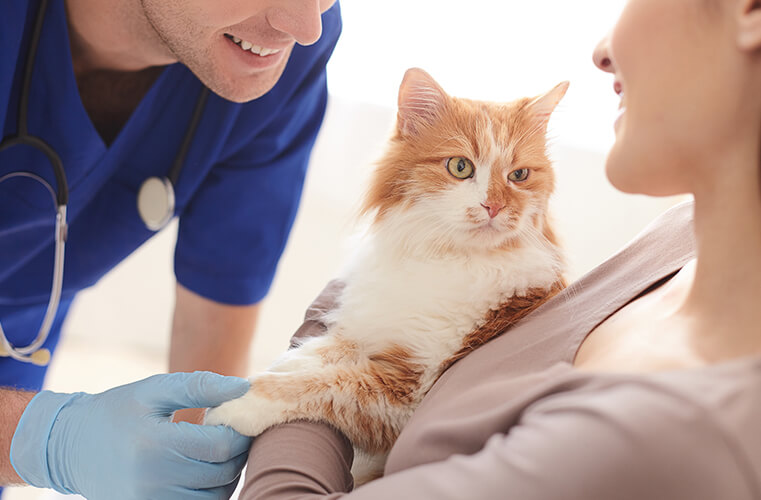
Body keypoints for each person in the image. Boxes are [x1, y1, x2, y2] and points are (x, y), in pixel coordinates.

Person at [235, 0, 761, 498]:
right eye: (463, 169)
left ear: (751, 11)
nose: (602, 50)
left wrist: (301, 368)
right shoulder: (679, 235)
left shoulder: (654, 437)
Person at [1, 0, 340, 498]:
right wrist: (47, 440)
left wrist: (193, 471)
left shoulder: (278, 55)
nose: (305, 26)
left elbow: (207, 350)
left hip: (18, 331)